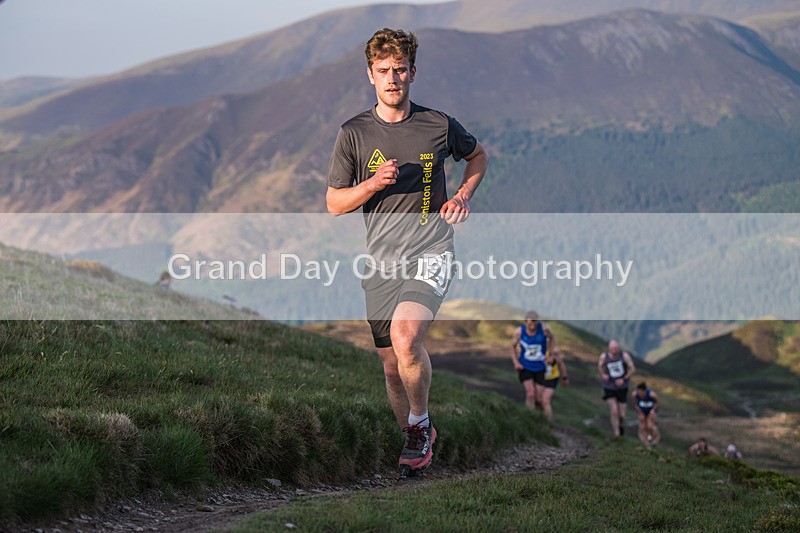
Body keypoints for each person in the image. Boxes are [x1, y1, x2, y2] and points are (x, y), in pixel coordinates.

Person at [326, 28, 488, 477]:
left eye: (400, 70)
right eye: (384, 71)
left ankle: (418, 428)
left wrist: (462, 196)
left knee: (405, 338)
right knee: (392, 368)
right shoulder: (354, 134)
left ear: (413, 72)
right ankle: (418, 439)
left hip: (431, 249)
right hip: (382, 263)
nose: (392, 78)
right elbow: (334, 203)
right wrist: (373, 184)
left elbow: (478, 157)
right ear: (370, 76)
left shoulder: (438, 124)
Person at [511, 311, 557, 417]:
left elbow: (553, 338)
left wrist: (550, 354)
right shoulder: (519, 332)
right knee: (531, 393)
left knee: (539, 398)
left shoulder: (545, 329)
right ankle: (530, 418)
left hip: (540, 366)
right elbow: (512, 346)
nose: (532, 325)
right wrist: (516, 362)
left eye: (535, 322)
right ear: (525, 321)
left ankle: (543, 420)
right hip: (525, 366)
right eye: (530, 322)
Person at [598, 340, 636, 437]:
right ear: (609, 348)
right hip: (609, 386)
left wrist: (624, 378)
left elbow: (632, 369)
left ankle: (621, 427)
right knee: (614, 410)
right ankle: (616, 434)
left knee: (622, 414)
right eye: (612, 348)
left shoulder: (624, 356)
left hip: (622, 387)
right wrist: (603, 375)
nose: (614, 350)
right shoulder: (604, 357)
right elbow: (600, 366)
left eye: (616, 348)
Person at [632, 381, 660, 446]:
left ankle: (655, 438)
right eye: (638, 392)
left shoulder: (651, 395)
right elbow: (635, 404)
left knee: (650, 425)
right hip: (642, 410)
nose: (639, 394)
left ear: (644, 391)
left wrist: (652, 411)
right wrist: (640, 412)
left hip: (651, 410)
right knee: (643, 425)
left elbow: (657, 403)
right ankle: (645, 441)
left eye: (641, 392)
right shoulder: (634, 395)